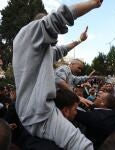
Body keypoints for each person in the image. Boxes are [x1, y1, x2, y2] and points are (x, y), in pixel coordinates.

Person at [13, 0, 104, 149]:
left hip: (42, 111)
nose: (54, 35)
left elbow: (62, 50)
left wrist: (79, 41)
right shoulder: (29, 33)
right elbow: (61, 16)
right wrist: (94, 3)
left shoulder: (43, 50)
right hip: (37, 114)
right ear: (41, 25)